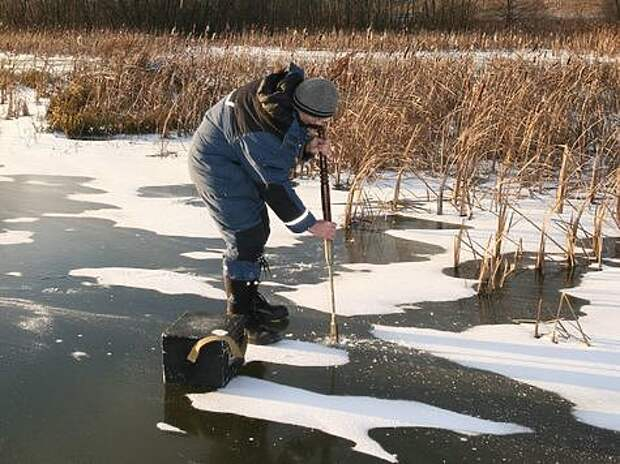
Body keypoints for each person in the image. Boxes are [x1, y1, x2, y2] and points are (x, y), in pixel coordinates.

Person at [188, 63, 338, 345]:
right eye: (317, 121)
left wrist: (306, 147)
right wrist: (310, 224)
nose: (320, 127)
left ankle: (248, 296)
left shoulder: (284, 97)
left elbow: (283, 137)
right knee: (246, 235)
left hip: (236, 153)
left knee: (258, 230)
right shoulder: (264, 132)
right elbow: (274, 187)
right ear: (302, 108)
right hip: (216, 164)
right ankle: (241, 318)